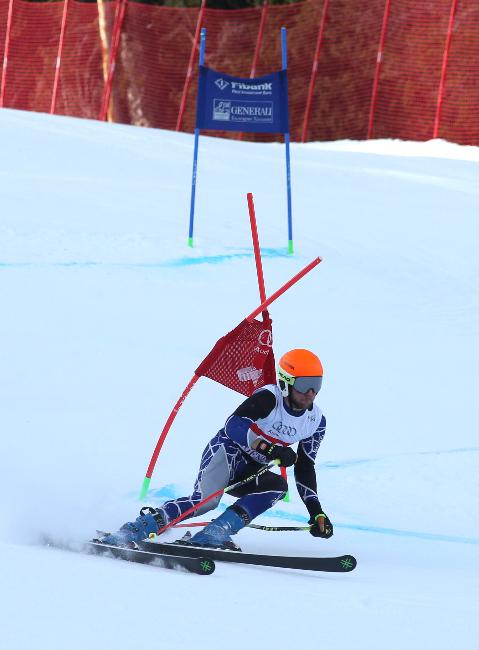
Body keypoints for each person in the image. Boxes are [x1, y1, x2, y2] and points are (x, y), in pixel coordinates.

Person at [99, 348, 333, 550]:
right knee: (205, 502)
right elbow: (233, 425)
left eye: (316, 385)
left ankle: (215, 533)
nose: (310, 393)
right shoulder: (269, 398)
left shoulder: (316, 421)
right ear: (285, 382)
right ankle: (135, 529)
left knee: (277, 488)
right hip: (226, 452)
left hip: (251, 468)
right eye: (304, 385)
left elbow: (305, 467)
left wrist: (316, 512)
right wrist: (270, 449)